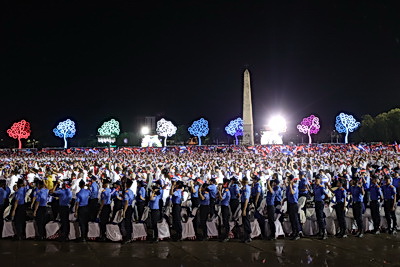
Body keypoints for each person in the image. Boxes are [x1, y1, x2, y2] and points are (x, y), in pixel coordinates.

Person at [286, 175, 300, 240]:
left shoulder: (295, 186)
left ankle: (297, 233)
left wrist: (291, 186)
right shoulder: (289, 187)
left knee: (295, 219)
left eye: (289, 180)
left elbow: (292, 192)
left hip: (294, 204)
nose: (288, 181)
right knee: (291, 219)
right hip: (290, 204)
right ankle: (294, 232)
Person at [122, 179, 135, 244]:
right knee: (129, 223)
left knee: (127, 224)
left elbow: (126, 202)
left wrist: (124, 211)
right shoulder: (131, 191)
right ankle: (130, 237)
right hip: (130, 208)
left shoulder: (126, 192)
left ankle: (128, 238)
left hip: (127, 208)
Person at [240, 177, 251, 243]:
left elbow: (246, 199)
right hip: (244, 204)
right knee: (244, 221)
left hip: (245, 205)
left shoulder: (246, 188)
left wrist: (244, 209)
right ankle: (246, 236)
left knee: (246, 221)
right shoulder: (245, 187)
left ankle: (247, 237)